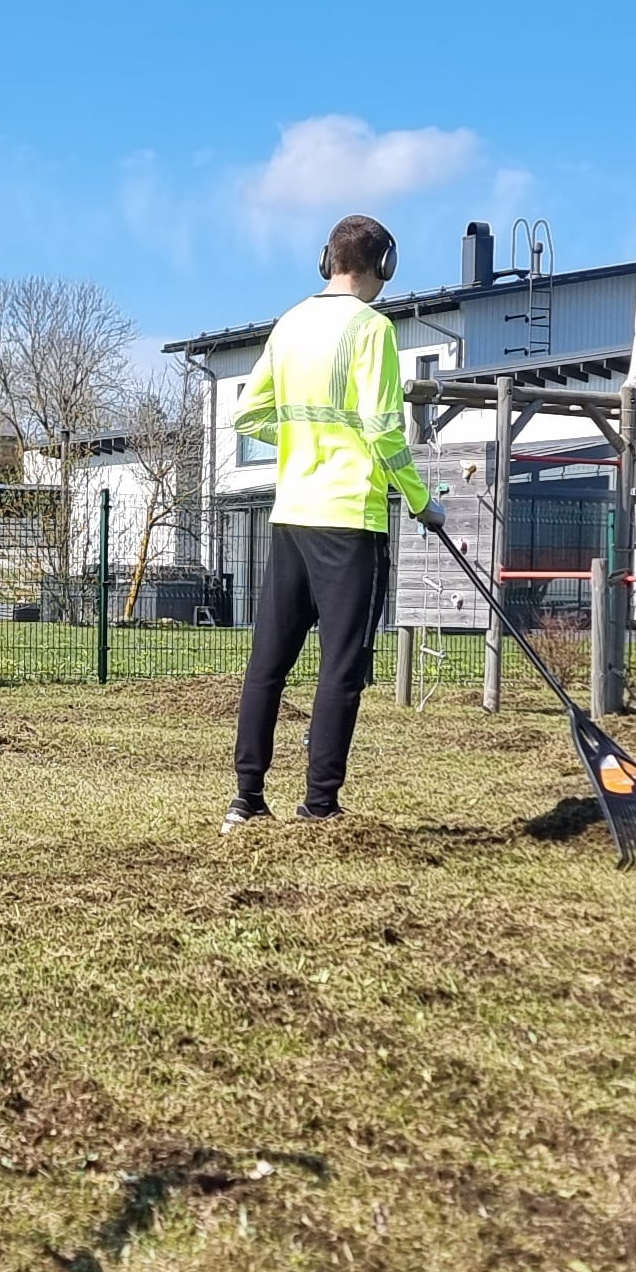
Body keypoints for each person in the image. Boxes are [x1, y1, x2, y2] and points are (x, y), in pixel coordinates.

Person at [224, 213, 443, 829]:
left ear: (328, 261)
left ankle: (246, 799)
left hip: (291, 515)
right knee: (341, 667)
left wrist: (300, 439)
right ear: (384, 266)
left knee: (269, 661)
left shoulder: (288, 324)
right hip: (351, 519)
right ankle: (319, 804)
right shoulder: (373, 330)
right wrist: (423, 502)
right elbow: (383, 432)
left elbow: (247, 417)